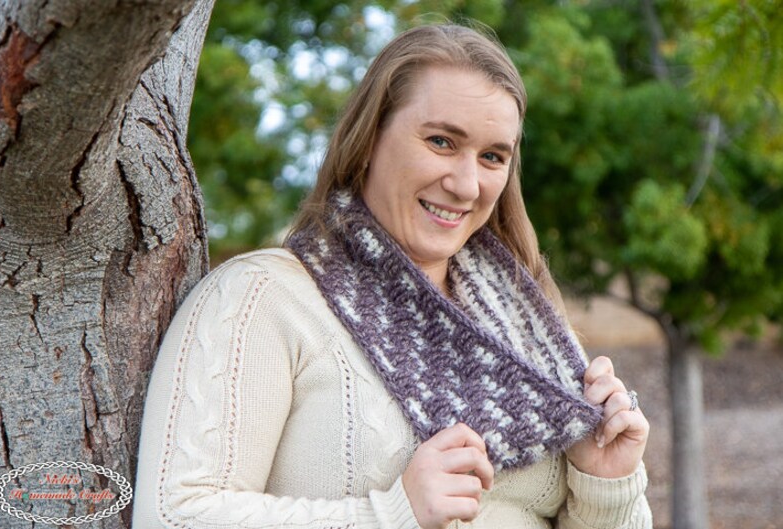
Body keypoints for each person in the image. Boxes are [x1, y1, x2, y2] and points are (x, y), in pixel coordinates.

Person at [132, 23, 652, 529]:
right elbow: (173, 515)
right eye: (442, 142)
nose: (467, 184)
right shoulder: (263, 298)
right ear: (370, 138)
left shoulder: (527, 324)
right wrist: (391, 514)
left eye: (493, 156)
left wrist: (605, 483)